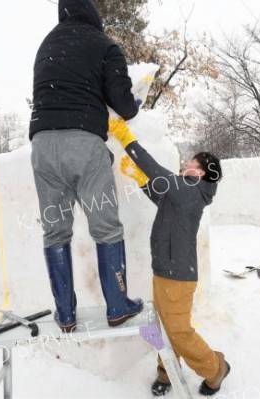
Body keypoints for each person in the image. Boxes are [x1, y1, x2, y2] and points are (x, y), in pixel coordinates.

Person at [29, 0, 142, 332]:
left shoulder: (46, 44)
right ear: (94, 14)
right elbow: (123, 103)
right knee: (106, 228)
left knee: (55, 230)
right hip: (83, 144)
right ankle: (117, 306)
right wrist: (131, 103)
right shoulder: (104, 45)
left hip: (42, 146)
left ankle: (65, 315)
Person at [108, 119, 230, 397]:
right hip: (164, 271)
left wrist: (127, 139)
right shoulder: (184, 193)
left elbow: (156, 172)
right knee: (165, 327)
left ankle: (215, 368)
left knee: (180, 332)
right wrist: (140, 181)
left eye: (192, 162)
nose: (186, 162)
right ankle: (167, 372)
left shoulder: (191, 190)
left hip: (177, 276)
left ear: (201, 173)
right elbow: (160, 196)